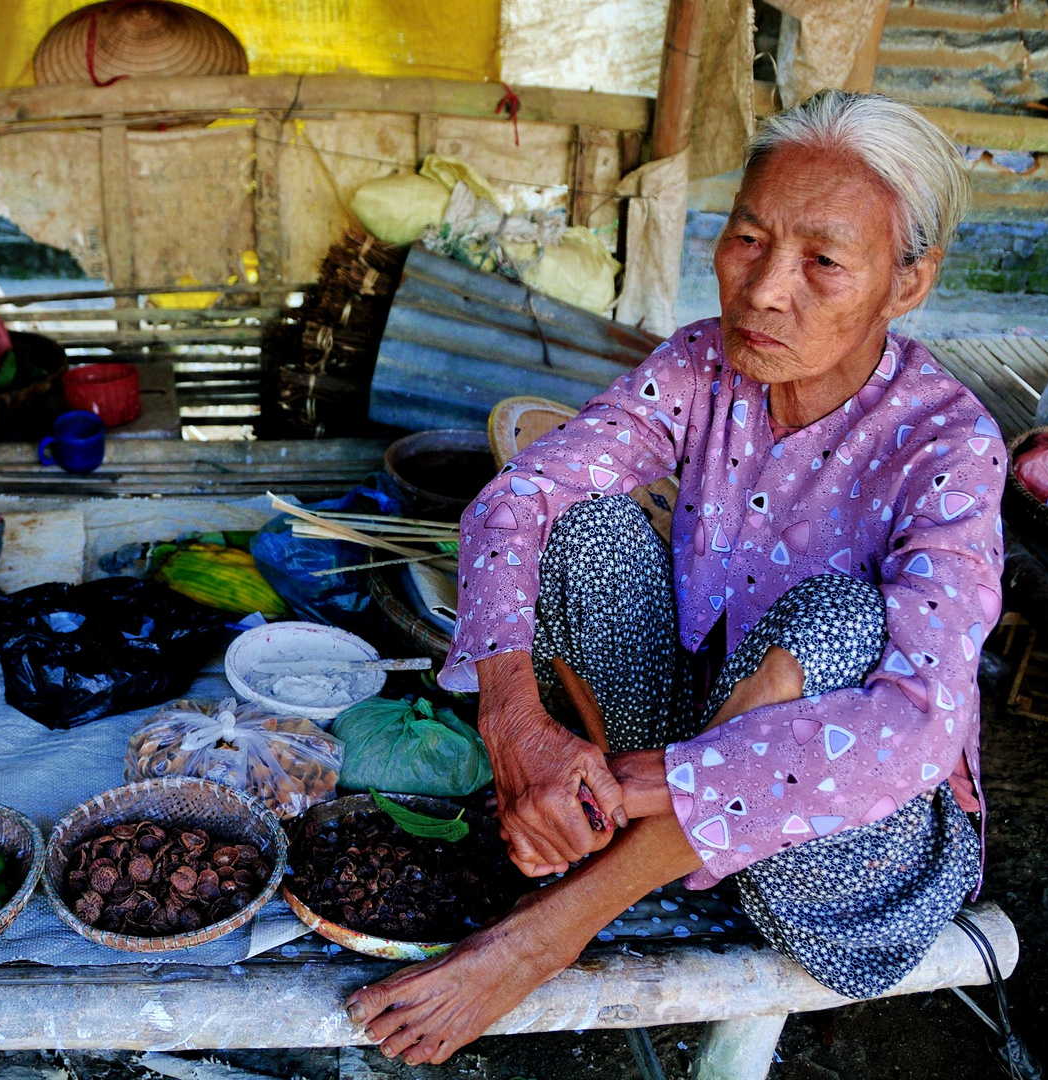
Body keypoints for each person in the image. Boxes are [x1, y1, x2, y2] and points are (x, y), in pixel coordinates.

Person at [347, 90, 1001, 1064]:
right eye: (745, 240)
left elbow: (916, 727)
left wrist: (641, 781)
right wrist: (511, 718)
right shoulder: (702, 367)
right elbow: (516, 499)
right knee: (585, 523)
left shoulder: (948, 444)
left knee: (836, 617)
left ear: (905, 285)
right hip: (683, 746)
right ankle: (620, 836)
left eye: (821, 262)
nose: (764, 290)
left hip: (841, 851)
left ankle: (554, 925)